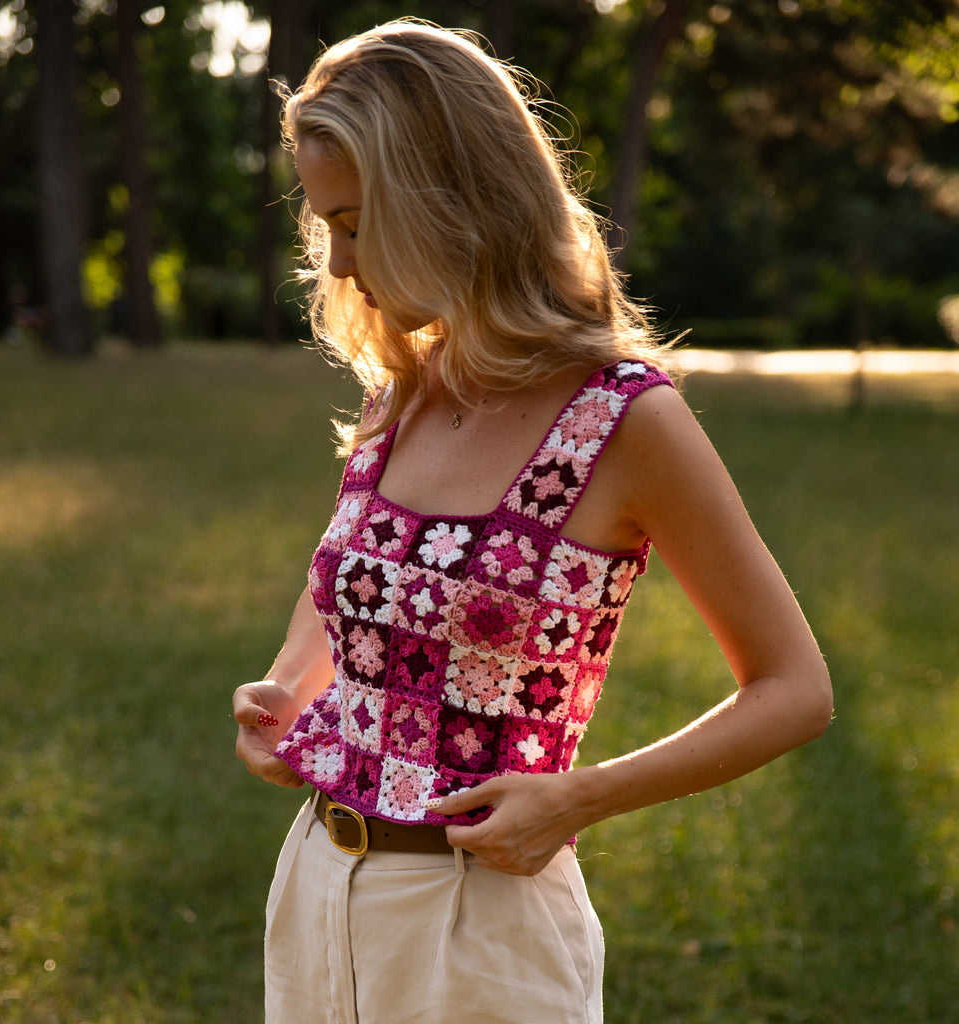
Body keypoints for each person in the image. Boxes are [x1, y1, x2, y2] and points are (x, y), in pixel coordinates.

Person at [233, 19, 832, 1024]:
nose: (336, 263)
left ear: (445, 200)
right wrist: (285, 688)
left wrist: (579, 795)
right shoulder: (405, 391)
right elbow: (341, 579)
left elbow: (794, 688)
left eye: (353, 222)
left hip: (482, 927)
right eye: (322, 223)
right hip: (315, 890)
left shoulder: (622, 417)